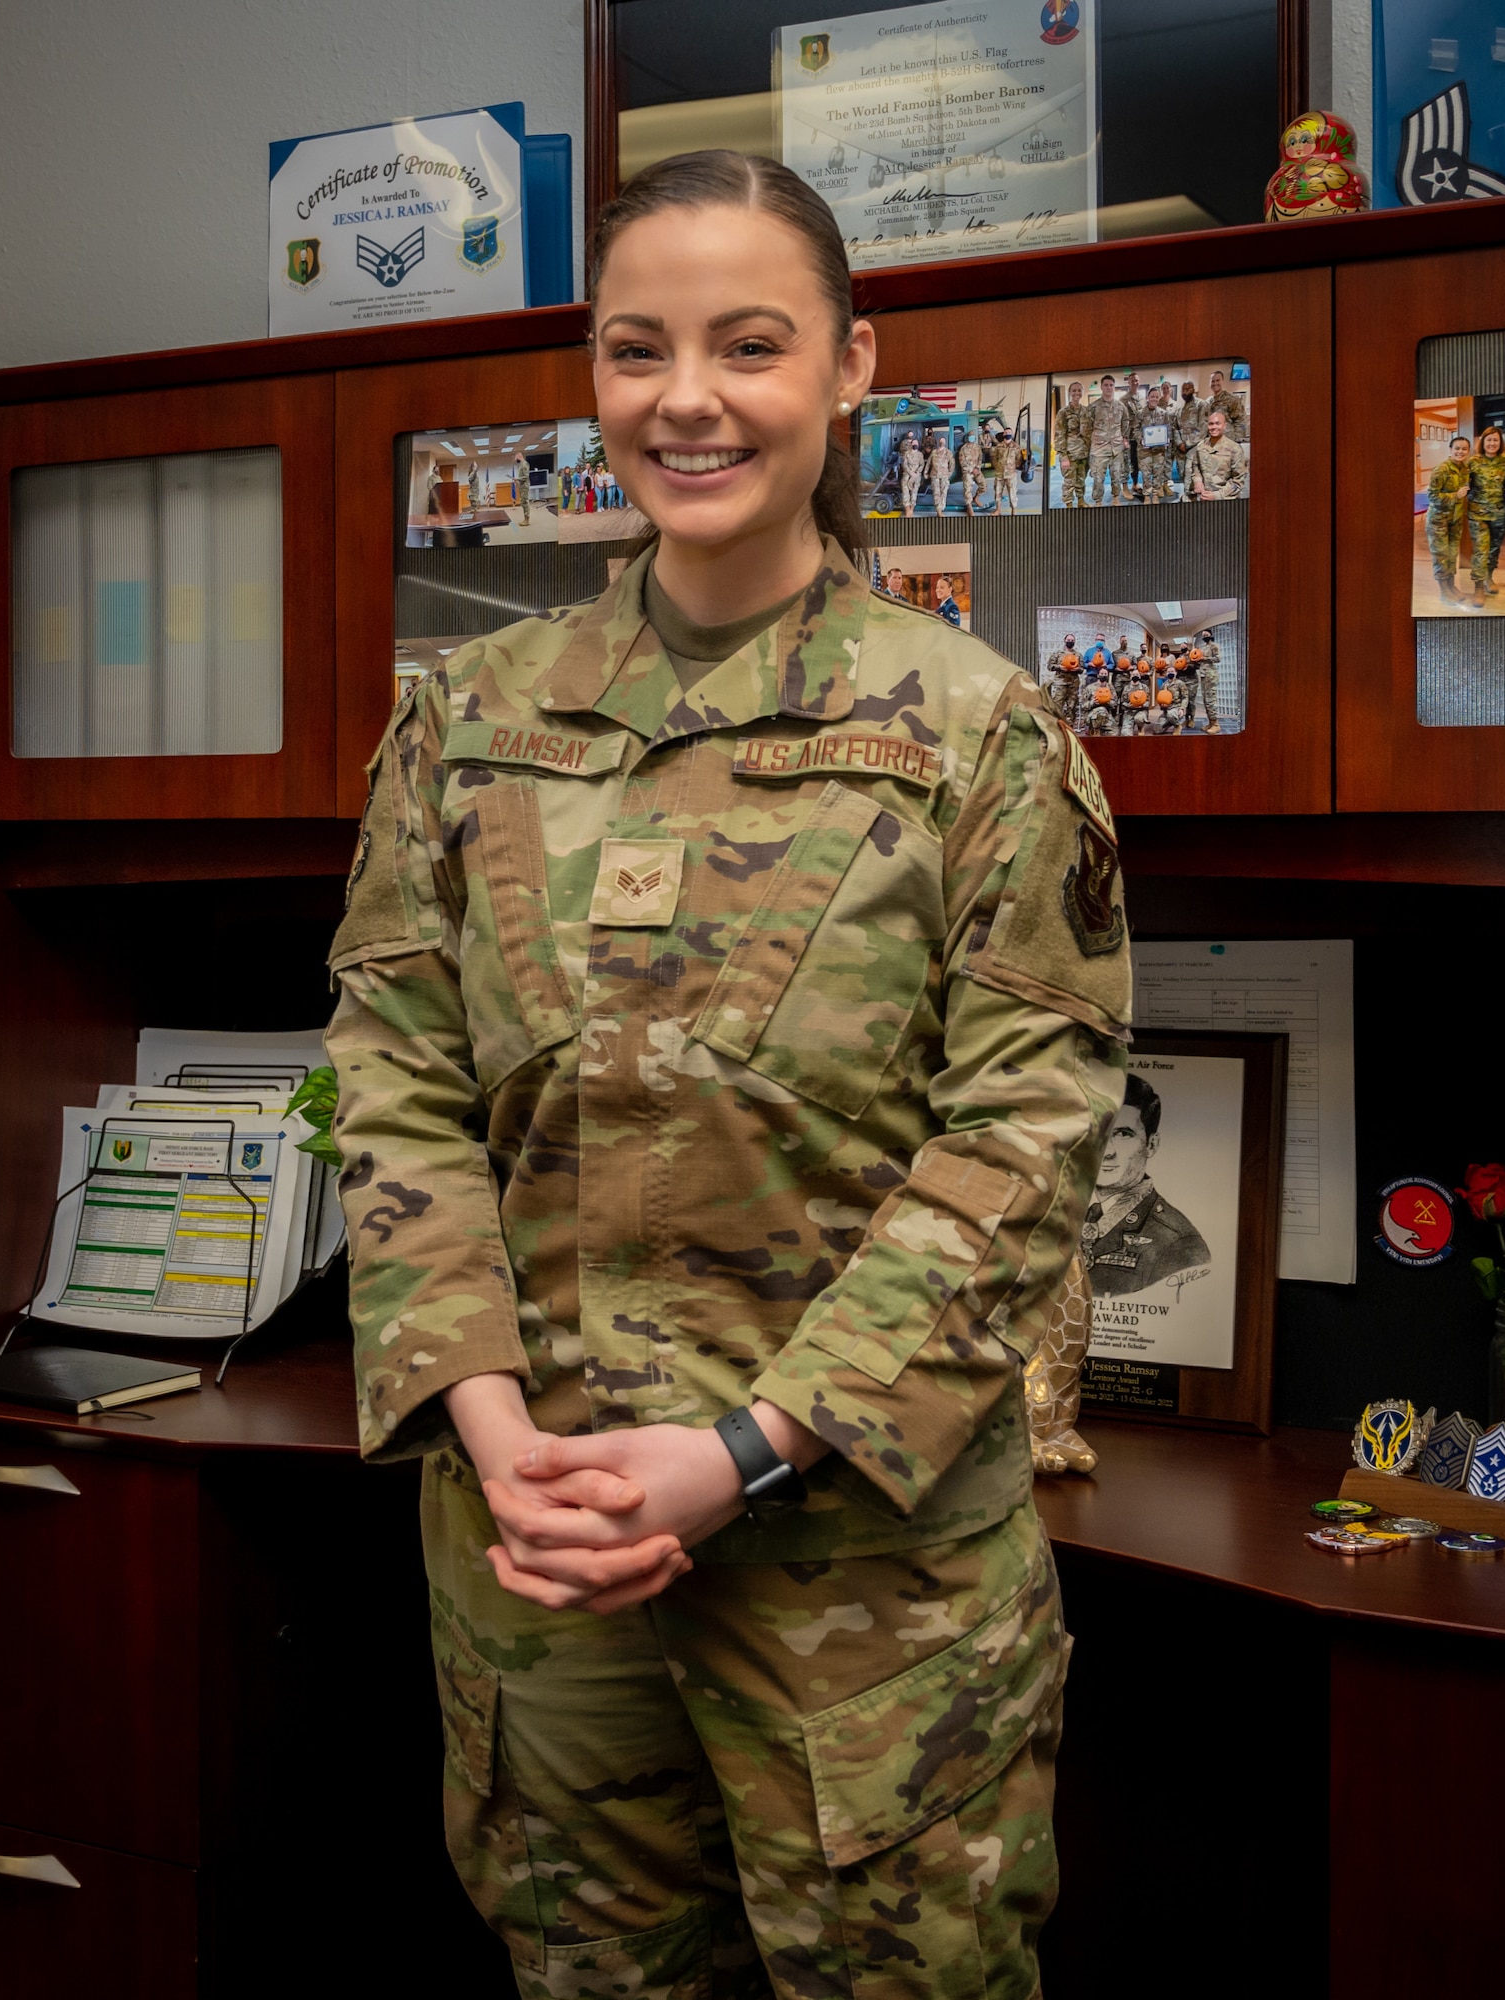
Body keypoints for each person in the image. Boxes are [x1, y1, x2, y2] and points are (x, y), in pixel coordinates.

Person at [326, 147, 1129, 2000]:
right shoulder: (468, 721)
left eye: (748, 344)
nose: (684, 399)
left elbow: (1023, 1145)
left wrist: (743, 1454)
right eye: (636, 349)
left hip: (867, 1608)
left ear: (850, 369)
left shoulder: (974, 732)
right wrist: (491, 1424)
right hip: (543, 1577)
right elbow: (391, 1081)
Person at [1082, 1075, 1210, 1295]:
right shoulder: (1063, 1215)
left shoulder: (1178, 1243)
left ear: (1151, 1144)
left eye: (1123, 1134)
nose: (1107, 1151)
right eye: (1097, 1132)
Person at [1424, 434, 1472, 607]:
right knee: (1441, 556)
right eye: (1457, 448)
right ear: (1451, 450)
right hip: (1438, 521)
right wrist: (1455, 495)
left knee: (1451, 555)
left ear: (1468, 451)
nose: (1460, 452)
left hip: (1455, 520)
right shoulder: (1441, 469)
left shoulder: (1465, 469)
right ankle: (1444, 591)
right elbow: (1432, 496)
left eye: (1464, 449)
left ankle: (1451, 586)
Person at [1465, 427, 1505, 600]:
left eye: (1495, 440)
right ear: (1483, 441)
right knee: (1480, 551)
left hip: (1499, 513)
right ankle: (1478, 588)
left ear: (1500, 443)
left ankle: (1488, 577)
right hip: (1478, 514)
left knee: (1493, 549)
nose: (1492, 443)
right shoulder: (1473, 461)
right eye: (1489, 440)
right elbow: (1464, 483)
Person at [1085, 375, 1131, 506]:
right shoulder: (1093, 407)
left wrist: (1123, 437)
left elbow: (1125, 422)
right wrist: (1095, 440)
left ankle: (1115, 498)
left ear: (1114, 387)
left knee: (1117, 475)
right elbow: (1086, 427)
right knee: (1098, 478)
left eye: (1111, 385)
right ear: (1101, 387)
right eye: (1106, 385)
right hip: (1099, 449)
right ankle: (1098, 501)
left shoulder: (1121, 406)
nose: (1109, 387)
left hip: (1116, 448)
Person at [1186, 410, 1247, 500]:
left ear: (1224, 425)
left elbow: (1238, 481)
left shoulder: (1235, 449)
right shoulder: (1201, 446)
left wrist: (1217, 495)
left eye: (1218, 424)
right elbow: (1196, 466)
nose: (1214, 427)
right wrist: (1197, 481)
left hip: (1224, 498)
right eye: (1211, 424)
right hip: (1203, 496)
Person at [1053, 381, 1090, 506]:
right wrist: (1063, 455)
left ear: (1083, 393)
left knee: (1081, 479)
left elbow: (1089, 432)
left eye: (1079, 390)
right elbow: (1059, 434)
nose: (1077, 393)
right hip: (1070, 453)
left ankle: (1081, 500)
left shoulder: (1086, 411)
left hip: (1084, 452)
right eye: (1074, 390)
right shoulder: (1063, 412)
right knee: (1069, 481)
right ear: (1069, 393)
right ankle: (1069, 504)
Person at [1135, 387, 1174, 503]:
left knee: (1158, 473)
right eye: (1152, 396)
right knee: (1146, 474)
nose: (1154, 399)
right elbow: (1135, 430)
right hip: (1144, 450)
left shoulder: (1163, 413)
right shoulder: (1140, 413)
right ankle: (1147, 495)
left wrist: (1167, 440)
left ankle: (1156, 494)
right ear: (1148, 398)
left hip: (1159, 450)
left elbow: (1168, 430)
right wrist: (1141, 440)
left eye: (1157, 397)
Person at [1047, 632, 1085, 727]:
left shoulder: (1078, 655)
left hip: (1073, 684)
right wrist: (1059, 667)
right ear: (1065, 641)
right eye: (1068, 640)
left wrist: (1078, 669)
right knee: (1057, 705)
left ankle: (1070, 727)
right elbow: (1049, 666)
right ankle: (1056, 726)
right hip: (1060, 683)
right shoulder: (1057, 653)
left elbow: (1082, 668)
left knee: (1071, 706)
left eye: (1072, 640)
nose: (1070, 642)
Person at [1203, 368, 1247, 442]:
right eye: (1212, 381)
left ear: (1222, 381)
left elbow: (1241, 420)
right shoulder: (1207, 402)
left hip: (1227, 441)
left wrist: (1237, 441)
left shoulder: (1232, 400)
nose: (1215, 383)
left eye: (1217, 380)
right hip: (1211, 441)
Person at [994, 427, 1027, 512]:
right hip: (999, 473)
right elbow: (995, 458)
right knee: (997, 492)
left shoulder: (1016, 447)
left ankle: (1013, 510)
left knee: (1012, 493)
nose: (1007, 434)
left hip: (1011, 474)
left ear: (1011, 434)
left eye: (1009, 432)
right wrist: (997, 466)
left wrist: (1012, 467)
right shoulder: (999, 446)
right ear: (1003, 434)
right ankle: (998, 509)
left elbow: (1019, 459)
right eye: (1006, 432)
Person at [958, 428, 987, 514]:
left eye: (973, 436)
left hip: (976, 470)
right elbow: (962, 462)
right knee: (967, 489)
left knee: (984, 486)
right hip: (967, 472)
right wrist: (971, 470)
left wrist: (977, 468)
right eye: (970, 436)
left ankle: (976, 498)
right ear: (968, 437)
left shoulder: (977, 447)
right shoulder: (963, 449)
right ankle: (969, 506)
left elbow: (980, 458)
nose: (971, 438)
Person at [898, 428, 925, 515]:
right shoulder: (906, 454)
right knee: (905, 493)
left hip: (916, 477)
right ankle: (907, 510)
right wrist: (910, 473)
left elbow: (922, 465)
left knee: (914, 493)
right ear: (911, 445)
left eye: (916, 443)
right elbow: (904, 464)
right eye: (914, 443)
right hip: (907, 475)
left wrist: (916, 473)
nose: (915, 444)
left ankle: (911, 509)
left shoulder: (920, 454)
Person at [928, 432, 955, 515]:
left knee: (943, 493)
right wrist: (926, 472)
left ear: (945, 443)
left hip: (944, 476)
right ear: (938, 443)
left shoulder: (948, 452)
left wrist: (949, 474)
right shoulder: (934, 452)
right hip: (934, 475)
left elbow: (952, 464)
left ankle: (941, 509)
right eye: (940, 441)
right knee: (936, 493)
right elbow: (929, 463)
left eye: (943, 441)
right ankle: (938, 511)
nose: (941, 443)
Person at [513, 448, 533, 525]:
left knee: (525, 502)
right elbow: (522, 478)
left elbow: (526, 476)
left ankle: (527, 520)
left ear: (519, 456)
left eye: (516, 458)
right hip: (522, 486)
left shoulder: (525, 464)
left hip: (525, 486)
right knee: (523, 502)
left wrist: (517, 478)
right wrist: (517, 481)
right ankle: (525, 519)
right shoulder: (521, 465)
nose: (515, 460)